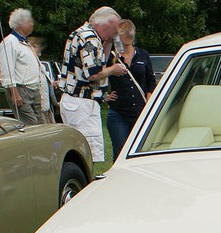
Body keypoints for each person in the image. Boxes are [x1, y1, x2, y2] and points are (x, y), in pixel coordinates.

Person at [58, 6, 128, 163]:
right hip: (82, 102)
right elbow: (93, 73)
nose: (115, 33)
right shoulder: (90, 38)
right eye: (115, 28)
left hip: (75, 101)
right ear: (106, 24)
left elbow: (98, 60)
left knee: (81, 150)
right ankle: (87, 183)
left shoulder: (81, 33)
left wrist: (109, 42)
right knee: (87, 151)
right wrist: (113, 69)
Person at [105, 20, 156, 159]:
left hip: (140, 110)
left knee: (141, 152)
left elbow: (151, 81)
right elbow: (97, 76)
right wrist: (105, 96)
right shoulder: (111, 57)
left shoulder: (143, 55)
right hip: (118, 111)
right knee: (120, 152)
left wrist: (149, 100)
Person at [0, 8, 44, 125]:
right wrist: (14, 93)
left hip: (33, 90)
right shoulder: (9, 42)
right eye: (28, 20)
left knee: (38, 125)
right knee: (31, 126)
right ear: (19, 23)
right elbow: (7, 70)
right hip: (21, 90)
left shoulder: (25, 43)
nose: (32, 23)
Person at [28, 36, 57, 124]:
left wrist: (52, 83)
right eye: (37, 46)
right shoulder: (29, 65)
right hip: (38, 106)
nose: (40, 48)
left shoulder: (41, 65)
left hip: (46, 106)